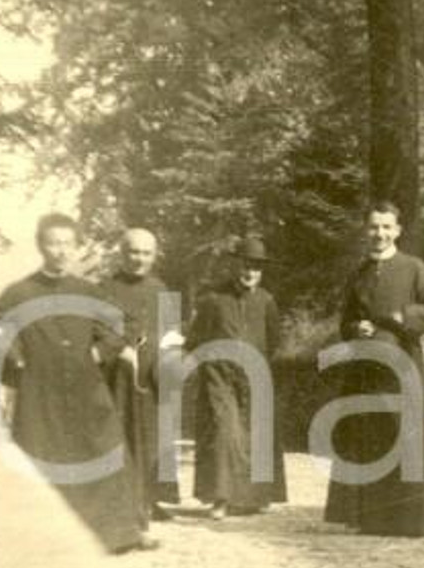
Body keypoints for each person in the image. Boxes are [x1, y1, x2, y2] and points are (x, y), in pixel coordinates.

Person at [0, 213, 150, 555]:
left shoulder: (88, 291)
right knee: (40, 458)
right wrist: (15, 359)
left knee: (104, 450)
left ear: (76, 246)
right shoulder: (20, 292)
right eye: (54, 243)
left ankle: (114, 535)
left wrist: (101, 352)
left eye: (68, 243)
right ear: (41, 246)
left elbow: (122, 325)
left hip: (88, 389)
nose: (61, 251)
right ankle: (44, 541)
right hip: (41, 392)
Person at [323, 202, 424, 538]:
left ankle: (422, 519)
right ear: (366, 230)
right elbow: (345, 321)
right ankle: (373, 517)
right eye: (373, 227)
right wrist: (355, 329)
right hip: (365, 370)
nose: (379, 234)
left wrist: (403, 318)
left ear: (398, 230)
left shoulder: (413, 268)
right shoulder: (360, 273)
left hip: (402, 366)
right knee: (370, 440)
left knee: (408, 438)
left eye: (386, 227)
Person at [184, 233, 287, 520]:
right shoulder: (213, 300)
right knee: (224, 432)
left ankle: (255, 496)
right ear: (234, 266)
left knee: (254, 434)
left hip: (253, 376)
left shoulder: (267, 301)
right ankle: (220, 498)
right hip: (219, 377)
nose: (250, 272)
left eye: (256, 267)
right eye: (245, 266)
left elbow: (274, 341)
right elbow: (194, 340)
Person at [98, 227, 182, 531]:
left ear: (154, 255)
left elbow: (172, 331)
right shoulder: (105, 288)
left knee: (154, 436)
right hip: (118, 375)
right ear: (122, 253)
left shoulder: (161, 289)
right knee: (123, 435)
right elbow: (97, 329)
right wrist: (119, 348)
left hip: (154, 374)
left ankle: (150, 498)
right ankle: (126, 502)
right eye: (134, 252)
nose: (139, 259)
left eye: (146, 253)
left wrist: (173, 357)